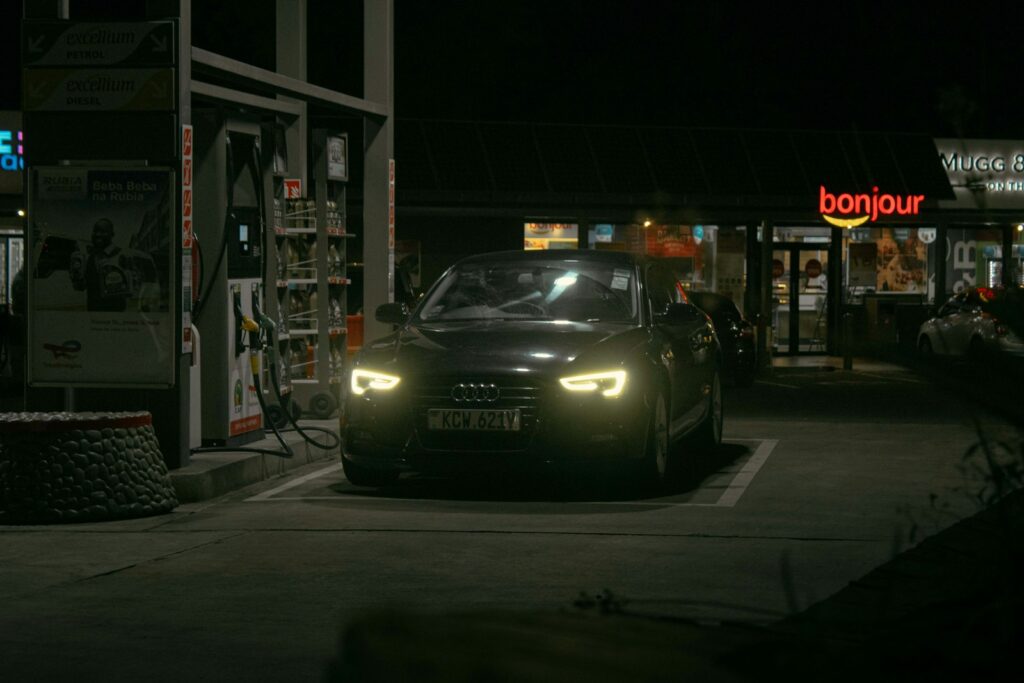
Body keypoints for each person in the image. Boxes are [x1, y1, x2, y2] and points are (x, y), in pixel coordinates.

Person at [69, 218, 158, 312]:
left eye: (103, 232)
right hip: (93, 315)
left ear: (112, 235)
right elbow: (81, 287)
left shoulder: (124, 255)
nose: (98, 235)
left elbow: (142, 288)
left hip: (117, 316)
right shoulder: (89, 259)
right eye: (95, 231)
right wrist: (76, 274)